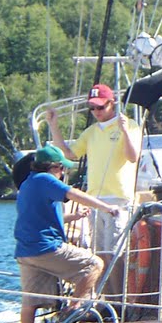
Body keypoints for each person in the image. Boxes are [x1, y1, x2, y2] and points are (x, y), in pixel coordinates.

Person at [15, 143, 126, 323]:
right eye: (61, 168)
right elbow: (74, 194)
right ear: (53, 168)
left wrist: (72, 218)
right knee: (94, 265)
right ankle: (73, 309)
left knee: (31, 303)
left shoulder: (28, 184)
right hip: (46, 248)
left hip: (25, 252)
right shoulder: (45, 180)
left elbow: (38, 217)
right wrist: (106, 208)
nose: (64, 173)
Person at [46, 82, 142, 263]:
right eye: (92, 108)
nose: (96, 111)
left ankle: (117, 291)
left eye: (101, 106)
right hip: (95, 200)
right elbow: (69, 154)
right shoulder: (91, 132)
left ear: (111, 103)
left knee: (115, 253)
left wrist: (124, 132)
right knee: (99, 253)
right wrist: (53, 126)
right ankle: (103, 291)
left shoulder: (130, 125)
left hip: (118, 199)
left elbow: (132, 157)